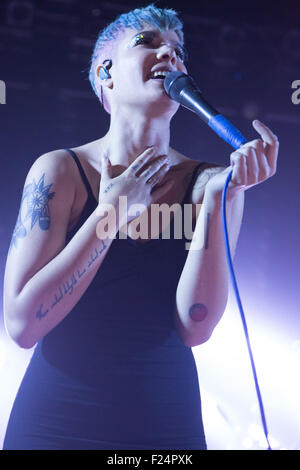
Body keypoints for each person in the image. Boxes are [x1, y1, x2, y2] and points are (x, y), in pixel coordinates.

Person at [2, 4, 279, 450]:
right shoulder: (59, 172)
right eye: (147, 43)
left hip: (164, 422)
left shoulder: (210, 184)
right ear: (105, 74)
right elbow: (21, 324)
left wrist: (219, 200)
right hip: (55, 421)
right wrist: (109, 215)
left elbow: (196, 325)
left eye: (178, 50)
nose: (170, 55)